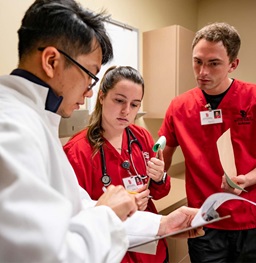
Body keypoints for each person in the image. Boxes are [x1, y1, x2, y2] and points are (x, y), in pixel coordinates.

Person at [0, 0, 204, 262]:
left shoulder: (37, 122)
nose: (88, 91)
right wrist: (108, 213)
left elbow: (79, 211)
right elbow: (47, 253)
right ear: (51, 61)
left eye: (135, 105)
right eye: (90, 75)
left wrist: (161, 225)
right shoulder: (13, 129)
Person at [159, 22, 256, 263]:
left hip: (250, 218)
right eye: (197, 61)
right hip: (204, 219)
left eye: (213, 63)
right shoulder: (179, 107)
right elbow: (162, 159)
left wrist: (250, 178)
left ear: (233, 64)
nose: (202, 71)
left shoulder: (253, 99)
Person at [64, 66, 171, 263]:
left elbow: (160, 192)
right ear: (102, 97)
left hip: (152, 250)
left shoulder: (142, 137)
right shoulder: (77, 152)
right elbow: (73, 217)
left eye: (134, 104)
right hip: (114, 254)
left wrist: (159, 177)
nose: (126, 111)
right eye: (119, 100)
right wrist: (122, 207)